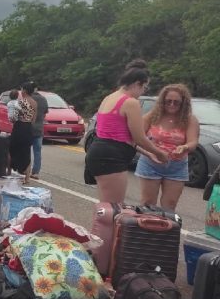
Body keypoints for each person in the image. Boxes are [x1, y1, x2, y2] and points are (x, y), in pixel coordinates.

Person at [84, 59, 168, 203]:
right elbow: (139, 138)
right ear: (137, 84)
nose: (143, 92)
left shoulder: (109, 98)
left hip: (99, 153)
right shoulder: (130, 102)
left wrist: (148, 153)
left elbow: (120, 137)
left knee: (105, 207)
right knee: (113, 209)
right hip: (112, 159)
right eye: (144, 88)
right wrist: (160, 153)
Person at [135, 84, 199, 211]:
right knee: (148, 204)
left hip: (177, 165)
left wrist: (185, 147)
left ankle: (164, 229)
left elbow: (193, 142)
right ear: (162, 102)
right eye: (168, 101)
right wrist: (150, 153)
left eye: (176, 102)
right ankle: (147, 229)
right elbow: (136, 140)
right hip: (151, 163)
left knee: (170, 205)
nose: (172, 105)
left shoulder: (190, 119)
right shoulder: (151, 116)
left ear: (184, 104)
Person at [10, 82, 38, 183]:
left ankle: (9, 172)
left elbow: (14, 117)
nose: (21, 91)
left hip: (19, 127)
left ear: (25, 91)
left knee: (11, 149)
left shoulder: (21, 102)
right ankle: (27, 178)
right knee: (26, 152)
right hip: (28, 128)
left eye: (21, 89)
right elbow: (34, 120)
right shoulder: (35, 103)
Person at [30, 85, 48, 179]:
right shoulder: (44, 99)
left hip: (29, 128)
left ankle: (26, 170)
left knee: (26, 150)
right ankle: (36, 172)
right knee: (37, 152)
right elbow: (45, 113)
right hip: (39, 129)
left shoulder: (29, 99)